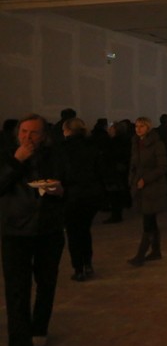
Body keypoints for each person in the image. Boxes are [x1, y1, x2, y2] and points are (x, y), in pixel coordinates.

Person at [0, 114, 66, 346]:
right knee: (17, 289)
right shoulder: (7, 155)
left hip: (48, 229)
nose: (28, 137)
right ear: (17, 134)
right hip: (15, 230)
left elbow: (69, 184)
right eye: (24, 132)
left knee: (46, 282)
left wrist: (60, 191)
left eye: (34, 132)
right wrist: (16, 161)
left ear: (44, 135)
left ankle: (39, 328)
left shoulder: (54, 156)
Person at [60, 117, 104, 282]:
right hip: (91, 194)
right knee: (84, 230)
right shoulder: (92, 146)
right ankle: (88, 263)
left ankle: (78, 268)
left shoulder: (64, 149)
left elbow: (62, 173)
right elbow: (99, 170)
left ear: (67, 131)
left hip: (72, 194)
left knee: (73, 233)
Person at [127, 117, 167, 267]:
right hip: (140, 187)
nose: (138, 129)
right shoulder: (136, 143)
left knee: (148, 221)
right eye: (136, 126)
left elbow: (162, 167)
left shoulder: (157, 144)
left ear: (148, 128)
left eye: (142, 126)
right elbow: (134, 165)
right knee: (150, 220)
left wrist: (146, 179)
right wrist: (132, 180)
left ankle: (141, 254)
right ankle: (156, 251)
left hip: (152, 188)